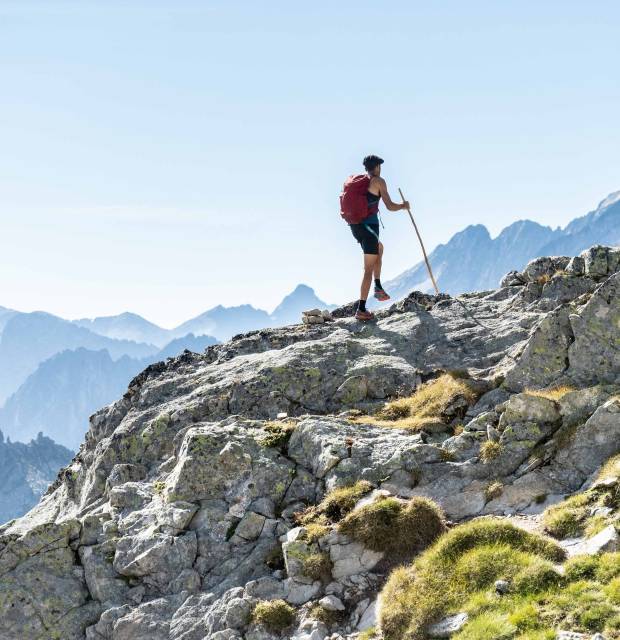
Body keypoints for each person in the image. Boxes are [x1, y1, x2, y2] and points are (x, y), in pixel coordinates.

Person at [349, 155, 409, 321]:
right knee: (368, 269)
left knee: (379, 248)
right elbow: (389, 206)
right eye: (379, 166)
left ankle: (378, 286)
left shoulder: (361, 182)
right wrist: (403, 206)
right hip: (370, 228)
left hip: (357, 227)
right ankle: (361, 309)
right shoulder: (378, 181)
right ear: (376, 167)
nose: (380, 168)